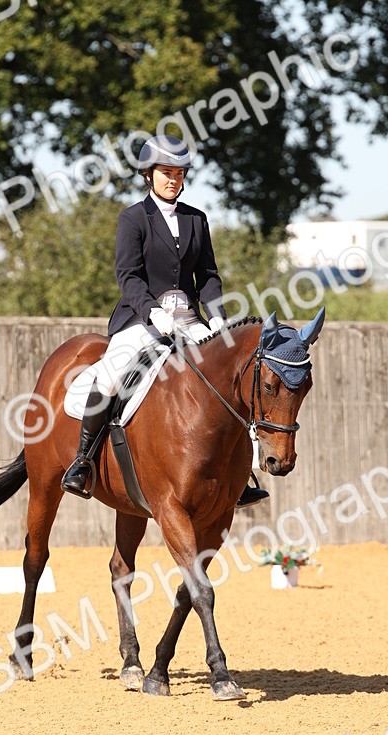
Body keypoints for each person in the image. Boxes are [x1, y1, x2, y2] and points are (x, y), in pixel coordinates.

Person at [61, 134, 269, 507]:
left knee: (228, 376)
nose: (173, 179)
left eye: (179, 173)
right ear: (148, 174)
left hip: (189, 320)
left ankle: (242, 472)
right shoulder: (133, 219)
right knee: (111, 375)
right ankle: (83, 461)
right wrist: (153, 311)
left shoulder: (196, 219)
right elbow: (128, 276)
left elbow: (207, 276)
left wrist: (218, 318)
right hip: (141, 320)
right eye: (166, 172)